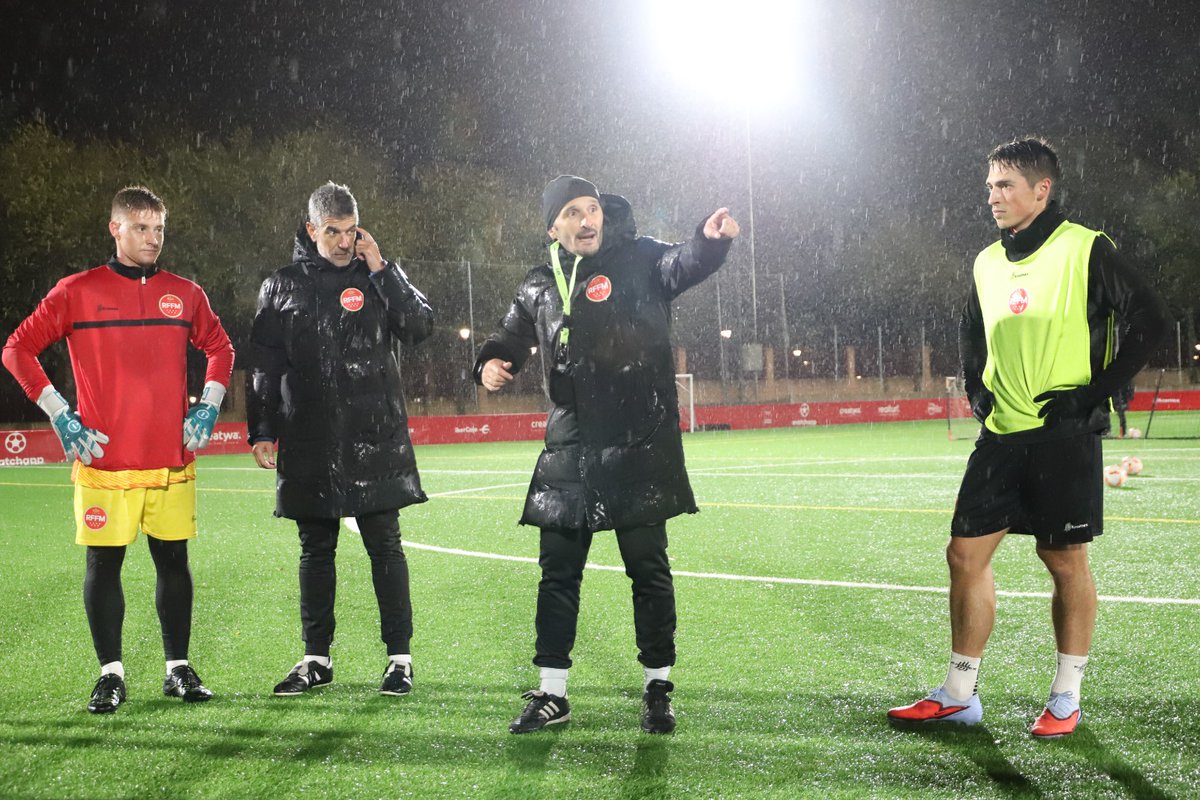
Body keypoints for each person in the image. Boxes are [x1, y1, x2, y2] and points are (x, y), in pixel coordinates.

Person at [888, 138, 1169, 737]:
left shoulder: (1087, 248)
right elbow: (971, 331)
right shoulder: (987, 261)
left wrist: (1095, 393)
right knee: (964, 555)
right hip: (1000, 434)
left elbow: (1153, 320)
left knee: (1063, 560)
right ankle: (960, 694)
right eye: (990, 185)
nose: (993, 196)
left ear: (1042, 190)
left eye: (1006, 185)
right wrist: (977, 393)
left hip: (1064, 433)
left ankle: (1065, 698)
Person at [475, 175, 739, 734]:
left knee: (647, 569)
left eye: (591, 209)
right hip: (569, 446)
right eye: (571, 212)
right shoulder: (540, 284)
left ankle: (658, 685)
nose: (586, 220)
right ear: (554, 227)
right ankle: (551, 692)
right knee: (558, 574)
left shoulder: (642, 258)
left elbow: (684, 264)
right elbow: (509, 335)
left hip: (638, 442)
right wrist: (492, 362)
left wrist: (709, 242)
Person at [2, 186, 235, 713]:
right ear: (115, 229)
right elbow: (16, 349)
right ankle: (111, 674)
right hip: (104, 459)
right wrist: (61, 412)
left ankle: (178, 669)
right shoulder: (77, 290)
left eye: (158, 229)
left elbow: (221, 347)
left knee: (173, 561)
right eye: (141, 228)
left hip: (171, 459)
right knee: (103, 564)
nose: (153, 239)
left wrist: (209, 405)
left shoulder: (186, 293)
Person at [246, 181, 433, 698]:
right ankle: (316, 659)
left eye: (351, 232)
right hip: (309, 437)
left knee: (385, 548)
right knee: (315, 550)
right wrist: (262, 429)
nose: (343, 242)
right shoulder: (280, 286)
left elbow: (419, 325)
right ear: (311, 229)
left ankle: (399, 659)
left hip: (375, 438)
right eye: (333, 232)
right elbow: (264, 365)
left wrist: (383, 268)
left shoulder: (375, 278)